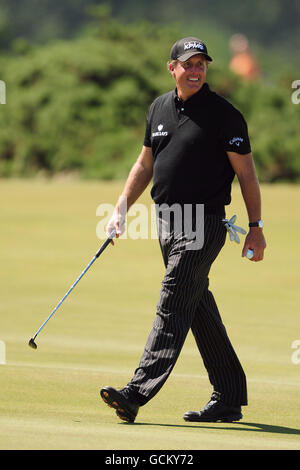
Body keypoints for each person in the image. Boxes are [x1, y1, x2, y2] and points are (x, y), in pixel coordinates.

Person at [100, 36, 266, 423]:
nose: (195, 71)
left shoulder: (225, 115)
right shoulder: (158, 108)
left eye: (201, 65)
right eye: (188, 64)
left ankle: (136, 392)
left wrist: (255, 227)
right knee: (195, 306)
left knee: (174, 296)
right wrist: (120, 209)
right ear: (171, 67)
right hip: (166, 223)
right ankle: (228, 396)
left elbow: (247, 175)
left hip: (205, 223)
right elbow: (144, 165)